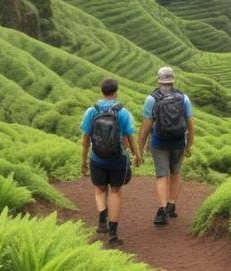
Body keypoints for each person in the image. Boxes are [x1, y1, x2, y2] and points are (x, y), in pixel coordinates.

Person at [80, 78, 141, 245]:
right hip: (118, 159)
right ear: (116, 92)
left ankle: (102, 217)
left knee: (100, 191)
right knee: (115, 192)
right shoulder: (123, 112)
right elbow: (130, 136)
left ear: (102, 92)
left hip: (97, 158)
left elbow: (85, 138)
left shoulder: (91, 111)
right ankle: (113, 234)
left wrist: (83, 160)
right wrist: (137, 155)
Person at [138, 66, 194, 226]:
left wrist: (140, 150)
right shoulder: (183, 98)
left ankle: (162, 210)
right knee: (175, 172)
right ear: (173, 80)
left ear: (159, 79)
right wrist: (189, 145)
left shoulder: (152, 99)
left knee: (162, 175)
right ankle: (171, 204)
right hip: (178, 142)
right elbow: (190, 124)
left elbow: (145, 128)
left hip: (159, 142)